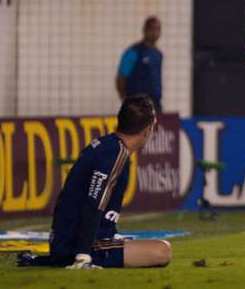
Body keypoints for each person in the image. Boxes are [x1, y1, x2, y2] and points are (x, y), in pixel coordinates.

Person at [18, 94, 171, 269]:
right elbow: (93, 204)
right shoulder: (117, 154)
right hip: (80, 246)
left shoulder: (104, 144)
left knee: (140, 244)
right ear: (148, 129)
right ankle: (81, 256)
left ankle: (59, 257)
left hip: (66, 241)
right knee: (162, 250)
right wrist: (83, 256)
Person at [116, 16, 163, 113]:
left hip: (155, 104)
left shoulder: (158, 54)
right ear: (145, 30)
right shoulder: (133, 52)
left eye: (157, 29)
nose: (154, 32)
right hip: (137, 104)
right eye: (151, 28)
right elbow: (121, 78)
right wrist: (126, 101)